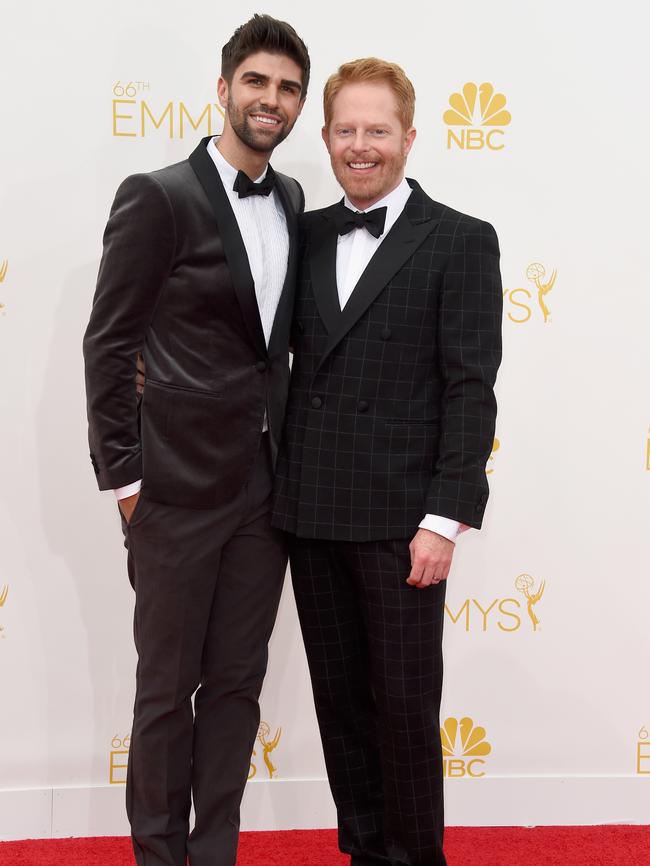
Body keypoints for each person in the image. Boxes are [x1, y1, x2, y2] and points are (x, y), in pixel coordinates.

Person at [83, 15, 309, 866]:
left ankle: (214, 850)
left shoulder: (290, 200)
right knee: (164, 690)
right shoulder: (159, 195)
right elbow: (108, 344)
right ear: (223, 90)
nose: (271, 100)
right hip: (172, 490)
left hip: (263, 488)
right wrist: (127, 480)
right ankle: (157, 856)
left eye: (287, 88)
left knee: (237, 689)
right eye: (257, 82)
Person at [272, 58, 502, 866]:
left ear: (408, 136)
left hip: (404, 523)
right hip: (310, 511)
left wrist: (444, 518)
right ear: (326, 137)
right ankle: (365, 854)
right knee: (340, 706)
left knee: (404, 709)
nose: (359, 146)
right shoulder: (302, 235)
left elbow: (471, 389)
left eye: (377, 131)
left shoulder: (463, 240)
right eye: (345, 131)